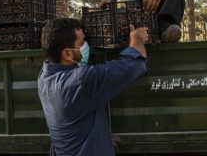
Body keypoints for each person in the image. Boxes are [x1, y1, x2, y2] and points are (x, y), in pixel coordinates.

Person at [38, 18, 148, 156]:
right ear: (67, 53)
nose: (86, 46)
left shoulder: (44, 76)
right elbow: (134, 66)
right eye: (82, 43)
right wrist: (136, 39)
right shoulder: (79, 83)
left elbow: (75, 67)